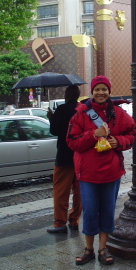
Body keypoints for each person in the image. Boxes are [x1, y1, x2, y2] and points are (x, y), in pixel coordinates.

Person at [67, 76, 136, 265]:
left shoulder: (119, 114)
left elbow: (132, 133)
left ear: (109, 91)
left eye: (104, 89)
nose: (100, 93)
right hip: (87, 174)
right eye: (97, 89)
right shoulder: (80, 114)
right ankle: (88, 248)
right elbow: (72, 142)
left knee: (107, 210)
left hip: (111, 172)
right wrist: (93, 134)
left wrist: (118, 142)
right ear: (91, 91)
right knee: (89, 211)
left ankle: (103, 248)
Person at [46, 85, 82, 234]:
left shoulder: (61, 110)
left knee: (61, 191)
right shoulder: (83, 110)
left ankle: (60, 222)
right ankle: (74, 220)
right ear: (78, 95)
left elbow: (54, 130)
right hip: (80, 155)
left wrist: (51, 117)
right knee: (79, 190)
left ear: (67, 95)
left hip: (64, 156)